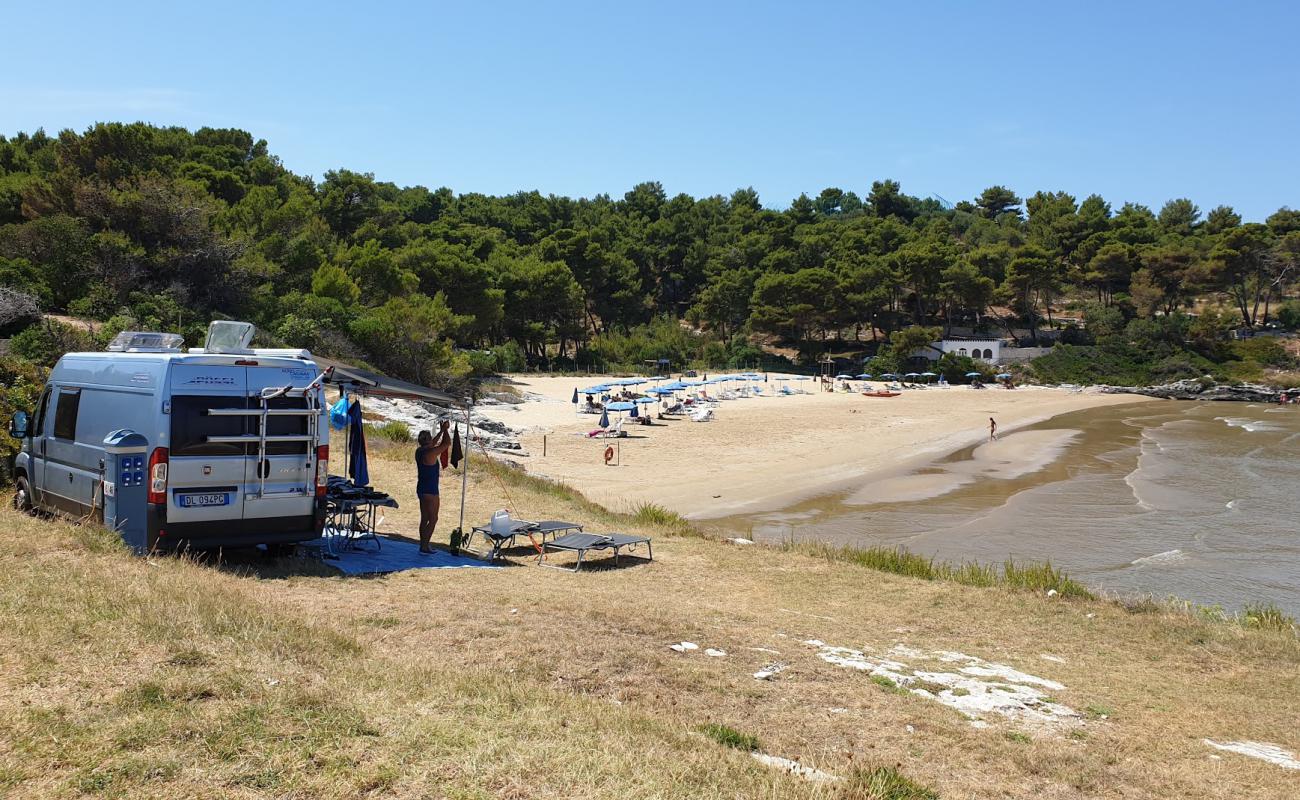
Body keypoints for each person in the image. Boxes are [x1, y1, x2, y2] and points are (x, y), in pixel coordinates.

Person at [415, 421, 453, 554]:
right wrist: (446, 430)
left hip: (421, 488)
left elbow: (434, 443)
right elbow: (446, 444)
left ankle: (422, 545)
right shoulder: (430, 453)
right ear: (429, 440)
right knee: (433, 518)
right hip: (430, 490)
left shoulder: (419, 451)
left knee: (424, 518)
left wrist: (441, 431)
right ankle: (425, 546)